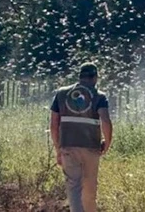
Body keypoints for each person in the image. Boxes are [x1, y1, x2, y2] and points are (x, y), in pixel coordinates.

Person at [49, 63, 113, 212]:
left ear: (80, 76)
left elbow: (53, 125)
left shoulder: (61, 94)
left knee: (74, 187)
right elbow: (105, 121)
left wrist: (58, 149)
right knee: (90, 188)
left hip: (68, 147)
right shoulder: (99, 96)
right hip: (91, 147)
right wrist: (107, 143)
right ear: (95, 78)